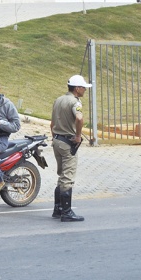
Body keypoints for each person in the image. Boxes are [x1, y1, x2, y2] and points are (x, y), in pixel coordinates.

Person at [49, 74, 90, 222]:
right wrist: (78, 135)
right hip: (67, 142)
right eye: (83, 87)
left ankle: (57, 209)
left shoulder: (58, 100)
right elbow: (79, 118)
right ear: (77, 88)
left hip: (57, 140)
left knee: (61, 175)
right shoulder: (75, 102)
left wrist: (54, 137)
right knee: (68, 177)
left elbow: (52, 123)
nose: (85, 90)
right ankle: (66, 212)